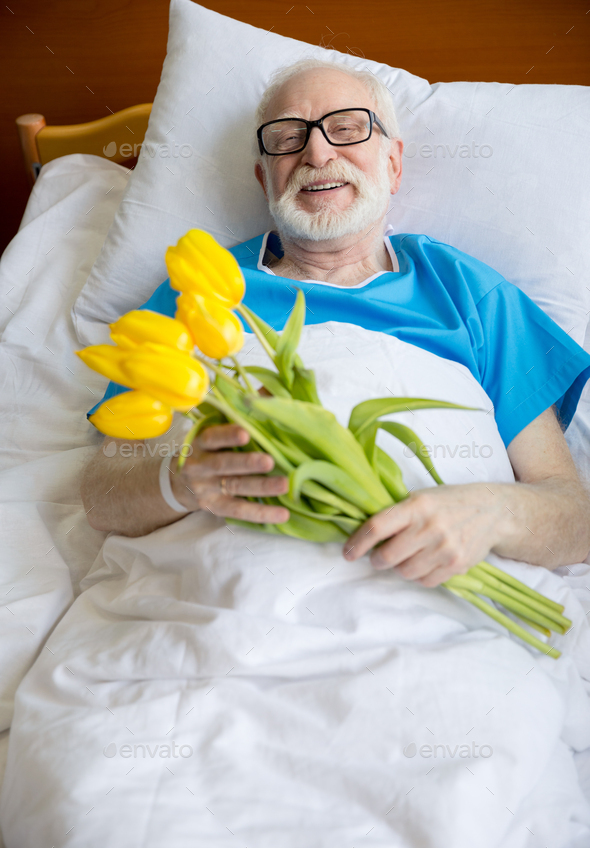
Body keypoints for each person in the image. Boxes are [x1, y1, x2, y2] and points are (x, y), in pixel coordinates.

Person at [81, 59, 590, 588]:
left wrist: (490, 512)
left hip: (435, 604)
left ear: (393, 164)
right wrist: (180, 481)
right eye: (286, 138)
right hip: (227, 600)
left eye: (347, 129)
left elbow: (574, 518)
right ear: (263, 178)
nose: (317, 153)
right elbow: (101, 495)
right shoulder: (197, 289)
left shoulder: (466, 291)